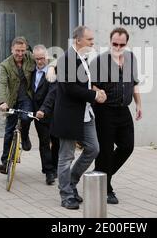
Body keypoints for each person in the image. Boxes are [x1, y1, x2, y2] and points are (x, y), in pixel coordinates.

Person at [52, 26, 107, 210]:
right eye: (90, 40)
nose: (93, 43)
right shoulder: (66, 59)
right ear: (78, 40)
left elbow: (83, 85)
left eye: (92, 39)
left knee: (93, 148)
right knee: (66, 156)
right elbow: (70, 88)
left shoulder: (82, 58)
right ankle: (66, 194)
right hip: (69, 116)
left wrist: (97, 91)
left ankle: (71, 183)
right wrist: (94, 96)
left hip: (85, 114)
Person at [90, 27, 142, 204]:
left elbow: (134, 84)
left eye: (122, 44)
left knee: (127, 146)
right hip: (104, 111)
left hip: (123, 110)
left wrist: (139, 104)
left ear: (126, 44)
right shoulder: (99, 61)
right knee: (104, 151)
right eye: (115, 43)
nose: (118, 47)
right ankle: (106, 188)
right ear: (109, 42)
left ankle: (99, 177)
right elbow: (90, 85)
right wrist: (99, 91)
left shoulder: (131, 59)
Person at [0, 37, 35, 174]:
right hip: (11, 100)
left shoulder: (31, 57)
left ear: (26, 49)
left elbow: (47, 60)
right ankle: (5, 163)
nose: (20, 54)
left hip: (27, 98)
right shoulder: (5, 65)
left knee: (25, 118)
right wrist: (1, 102)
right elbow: (2, 84)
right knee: (8, 131)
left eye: (22, 50)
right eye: (17, 50)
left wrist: (51, 68)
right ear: (12, 49)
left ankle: (25, 136)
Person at [31, 45, 58, 185]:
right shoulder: (31, 71)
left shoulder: (53, 71)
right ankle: (48, 172)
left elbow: (52, 93)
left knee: (56, 141)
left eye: (42, 58)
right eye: (37, 59)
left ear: (47, 57)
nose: (40, 62)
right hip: (38, 113)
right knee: (44, 142)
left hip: (52, 111)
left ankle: (54, 167)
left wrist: (44, 109)